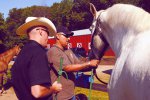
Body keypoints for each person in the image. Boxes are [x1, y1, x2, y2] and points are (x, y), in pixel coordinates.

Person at [11, 17, 62, 100]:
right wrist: (53, 88)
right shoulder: (38, 52)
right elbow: (37, 93)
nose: (48, 37)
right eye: (48, 33)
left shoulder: (22, 53)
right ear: (41, 31)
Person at [47, 26, 99, 100]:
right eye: (66, 36)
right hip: (60, 97)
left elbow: (79, 64)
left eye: (69, 36)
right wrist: (89, 63)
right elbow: (66, 68)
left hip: (71, 95)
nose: (69, 39)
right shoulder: (53, 51)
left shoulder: (68, 51)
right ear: (57, 36)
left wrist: (92, 64)